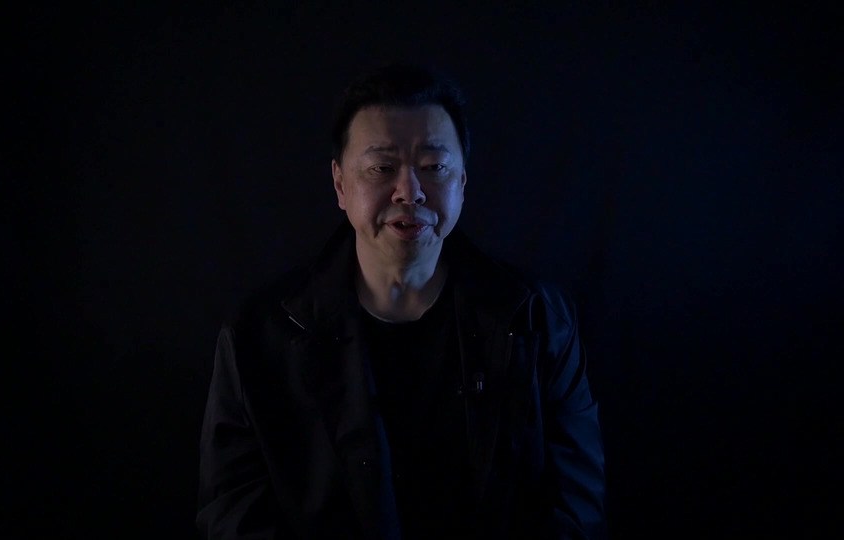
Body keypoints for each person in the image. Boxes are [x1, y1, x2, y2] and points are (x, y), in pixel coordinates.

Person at [197, 64, 607, 539]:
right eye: (381, 168)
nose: (409, 192)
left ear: (462, 181)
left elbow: (575, 508)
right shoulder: (257, 335)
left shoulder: (540, 319)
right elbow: (232, 516)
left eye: (434, 168)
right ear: (340, 184)